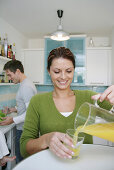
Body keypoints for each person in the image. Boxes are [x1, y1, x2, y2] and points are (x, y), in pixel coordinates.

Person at [20, 47, 113, 159]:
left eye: (68, 71)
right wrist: (46, 139)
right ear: (49, 71)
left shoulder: (89, 97)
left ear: (74, 70)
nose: (63, 77)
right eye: (57, 71)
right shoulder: (37, 102)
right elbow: (24, 148)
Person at [0, 60, 37, 163]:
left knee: (21, 161)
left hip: (24, 129)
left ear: (17, 71)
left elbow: (30, 113)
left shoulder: (26, 87)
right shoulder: (25, 83)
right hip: (23, 128)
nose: (9, 78)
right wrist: (12, 109)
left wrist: (12, 120)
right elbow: (27, 106)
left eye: (9, 75)